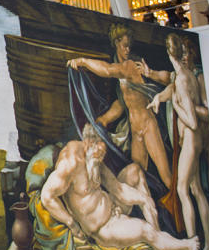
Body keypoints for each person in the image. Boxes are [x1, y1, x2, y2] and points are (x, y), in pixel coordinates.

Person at [40, 124, 199, 250]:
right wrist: (72, 224)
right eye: (99, 154)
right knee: (145, 231)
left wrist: (143, 199)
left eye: (103, 154)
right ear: (89, 144)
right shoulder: (70, 163)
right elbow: (47, 196)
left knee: (135, 172)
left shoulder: (94, 158)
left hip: (112, 207)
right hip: (104, 227)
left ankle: (157, 234)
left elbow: (118, 190)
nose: (101, 158)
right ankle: (186, 245)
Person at [68, 25, 173, 189]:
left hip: (148, 125)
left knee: (166, 175)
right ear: (116, 43)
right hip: (135, 128)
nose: (127, 49)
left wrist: (83, 61)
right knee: (137, 173)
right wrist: (105, 119)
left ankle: (178, 209)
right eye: (125, 45)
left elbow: (108, 70)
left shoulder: (130, 65)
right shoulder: (122, 70)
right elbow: (123, 103)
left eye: (129, 45)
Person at [149, 34, 209, 250]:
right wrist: (160, 97)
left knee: (182, 190)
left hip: (191, 137)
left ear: (169, 54)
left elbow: (193, 121)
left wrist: (175, 105)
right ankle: (207, 247)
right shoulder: (186, 77)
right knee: (196, 189)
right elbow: (170, 89)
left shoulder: (183, 80)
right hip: (193, 140)